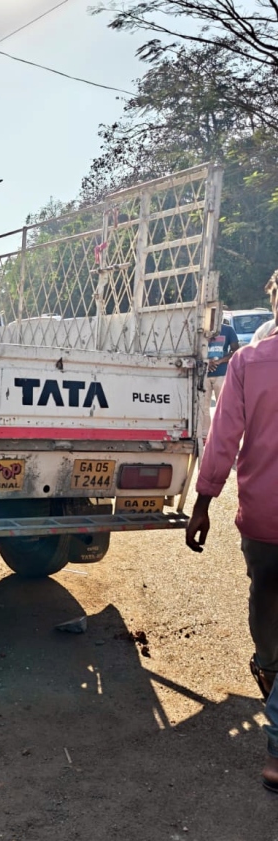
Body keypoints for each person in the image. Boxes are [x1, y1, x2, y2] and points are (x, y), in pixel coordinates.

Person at [186, 269, 278, 793]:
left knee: (265, 597)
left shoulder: (249, 363)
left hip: (264, 521)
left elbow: (223, 438)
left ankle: (269, 670)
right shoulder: (244, 361)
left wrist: (204, 503)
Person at [198, 315, 239, 454]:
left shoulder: (228, 330)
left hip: (222, 373)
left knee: (224, 407)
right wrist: (206, 362)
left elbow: (235, 350)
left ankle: (224, 439)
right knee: (203, 407)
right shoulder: (200, 330)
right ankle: (206, 439)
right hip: (203, 374)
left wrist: (220, 361)